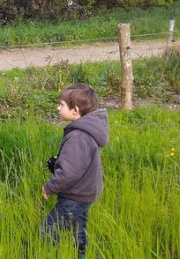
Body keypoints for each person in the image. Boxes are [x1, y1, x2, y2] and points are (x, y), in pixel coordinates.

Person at [42, 83, 108, 256]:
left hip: (74, 196)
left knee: (48, 230)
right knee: (78, 229)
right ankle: (81, 254)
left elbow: (69, 173)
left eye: (61, 104)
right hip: (85, 193)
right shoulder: (86, 131)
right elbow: (78, 164)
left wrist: (49, 187)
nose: (58, 107)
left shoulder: (78, 136)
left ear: (75, 110)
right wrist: (58, 162)